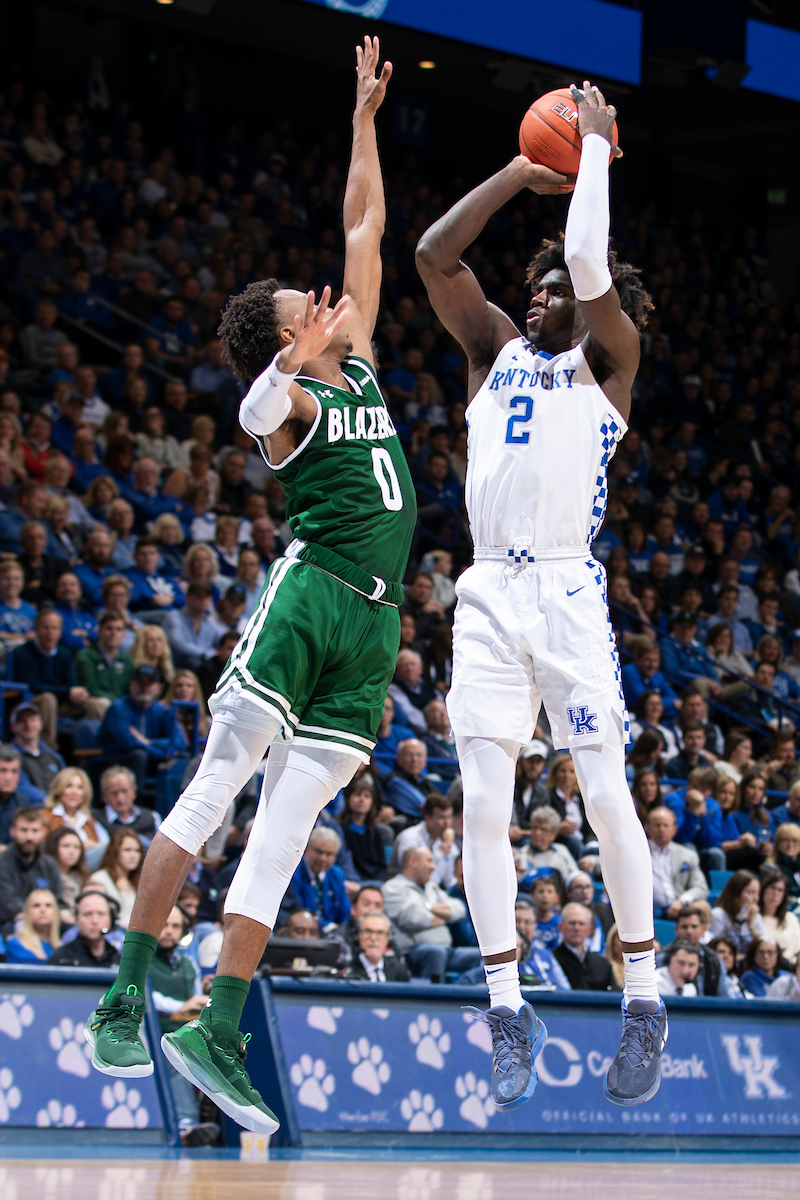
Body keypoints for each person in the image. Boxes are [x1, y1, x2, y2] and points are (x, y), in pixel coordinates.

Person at [85, 44, 412, 1139]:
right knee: (221, 780)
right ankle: (125, 991)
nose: (326, 302)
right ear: (283, 340)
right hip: (311, 592)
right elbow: (254, 419)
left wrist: (362, 119)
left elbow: (363, 229)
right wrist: (284, 367)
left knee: (282, 834)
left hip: (374, 624)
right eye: (303, 309)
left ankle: (216, 1027)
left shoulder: (355, 359)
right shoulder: (291, 402)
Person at [416, 80, 663, 1107]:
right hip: (486, 590)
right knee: (481, 798)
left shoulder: (609, 360)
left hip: (564, 590)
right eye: (533, 286)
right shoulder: (491, 354)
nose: (536, 296)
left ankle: (643, 996)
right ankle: (507, 1007)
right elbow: (434, 255)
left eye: (552, 287)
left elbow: (594, 265)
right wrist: (521, 172)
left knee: (602, 792)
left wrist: (594, 156)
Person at [149, 905, 220, 1147]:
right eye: (164, 925)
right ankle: (185, 1124)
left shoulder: (189, 964)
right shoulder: (142, 959)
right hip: (151, 1031)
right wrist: (181, 1005)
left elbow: (196, 999)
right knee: (174, 1054)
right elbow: (149, 996)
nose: (169, 932)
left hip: (183, 1030)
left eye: (175, 926)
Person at [382, 844, 480, 979]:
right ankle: (437, 999)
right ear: (413, 862)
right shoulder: (393, 888)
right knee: (435, 952)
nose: (433, 866)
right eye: (429, 861)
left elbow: (458, 909)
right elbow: (414, 918)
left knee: (482, 956)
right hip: (414, 952)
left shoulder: (431, 887)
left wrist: (427, 907)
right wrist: (444, 915)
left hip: (447, 951)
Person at [98, 665, 186, 792]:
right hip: (116, 760)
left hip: (150, 760)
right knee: (139, 755)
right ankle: (135, 805)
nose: (144, 688)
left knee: (178, 759)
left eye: (149, 683)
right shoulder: (118, 708)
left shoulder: (161, 710)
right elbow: (129, 743)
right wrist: (164, 752)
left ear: (158, 688)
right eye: (140, 683)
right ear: (131, 685)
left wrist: (149, 742)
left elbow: (179, 742)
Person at [10, 608, 89, 748]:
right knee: (48, 699)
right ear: (36, 629)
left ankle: (90, 749)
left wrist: (77, 693)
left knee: (96, 704)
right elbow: (31, 685)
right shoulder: (22, 653)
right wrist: (67, 691)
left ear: (60, 632)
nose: (50, 633)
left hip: (61, 702)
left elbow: (71, 683)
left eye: (54, 628)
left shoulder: (65, 654)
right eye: (45, 627)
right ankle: (48, 749)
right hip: (33, 702)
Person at [0, 807, 62, 930]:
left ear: (43, 832)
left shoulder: (50, 864)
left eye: (34, 830)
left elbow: (58, 899)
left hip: (49, 923)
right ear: (12, 831)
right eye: (24, 830)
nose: (29, 837)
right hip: (12, 924)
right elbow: (8, 904)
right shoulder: (2, 863)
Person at [281, 827, 351, 932]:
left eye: (329, 854)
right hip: (302, 934)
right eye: (319, 851)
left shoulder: (337, 874)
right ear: (306, 849)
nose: (323, 858)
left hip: (332, 935)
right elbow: (296, 911)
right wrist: (327, 926)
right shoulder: (293, 872)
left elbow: (344, 914)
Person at [646, 806, 708, 918]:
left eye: (666, 825)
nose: (662, 829)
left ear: (674, 830)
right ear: (648, 828)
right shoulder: (639, 853)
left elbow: (701, 888)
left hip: (680, 909)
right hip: (648, 909)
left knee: (703, 908)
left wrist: (681, 901)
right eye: (657, 825)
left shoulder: (688, 855)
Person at [74, 613, 135, 718]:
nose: (114, 633)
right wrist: (117, 703)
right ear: (99, 631)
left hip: (120, 704)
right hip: (93, 701)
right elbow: (90, 688)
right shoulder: (86, 656)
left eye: (118, 629)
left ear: (124, 634)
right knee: (102, 704)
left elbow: (131, 688)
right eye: (109, 629)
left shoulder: (127, 660)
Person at [390, 792, 457, 887]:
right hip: (405, 889)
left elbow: (450, 880)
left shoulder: (448, 843)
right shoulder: (409, 837)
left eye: (449, 817)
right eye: (441, 818)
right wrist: (438, 855)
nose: (447, 823)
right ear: (427, 818)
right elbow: (412, 875)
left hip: (433, 891)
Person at [656, 905, 727, 996]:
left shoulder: (714, 960)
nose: (689, 932)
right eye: (684, 927)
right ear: (676, 930)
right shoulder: (663, 957)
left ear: (703, 929)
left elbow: (723, 995)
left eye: (694, 927)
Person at [551, 903, 619, 991]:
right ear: (560, 927)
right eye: (572, 923)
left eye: (581, 924)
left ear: (589, 930)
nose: (577, 928)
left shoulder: (602, 964)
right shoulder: (552, 960)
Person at [44, 767, 108, 859]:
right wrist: (80, 846)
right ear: (59, 789)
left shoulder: (89, 821)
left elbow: (106, 847)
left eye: (80, 788)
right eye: (69, 786)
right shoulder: (46, 816)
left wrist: (93, 845)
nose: (74, 792)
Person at [337, 774, 392, 883]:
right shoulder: (340, 829)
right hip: (353, 882)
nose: (362, 800)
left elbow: (381, 866)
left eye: (367, 796)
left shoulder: (376, 833)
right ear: (348, 799)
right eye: (357, 795)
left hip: (376, 881)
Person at [48, 890, 121, 967]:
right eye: (87, 914)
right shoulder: (61, 958)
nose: (94, 921)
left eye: (101, 914)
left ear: (111, 919)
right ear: (77, 918)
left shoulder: (120, 961)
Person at [89, 828, 144, 928]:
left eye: (137, 850)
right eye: (127, 850)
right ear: (114, 852)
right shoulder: (99, 879)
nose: (133, 856)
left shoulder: (139, 882)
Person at [10, 702, 65, 799]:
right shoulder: (10, 756)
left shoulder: (54, 756)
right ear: (13, 727)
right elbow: (22, 787)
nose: (29, 725)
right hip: (29, 811)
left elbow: (66, 782)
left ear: (41, 724)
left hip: (57, 810)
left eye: (33, 719)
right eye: (23, 721)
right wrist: (51, 803)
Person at [95, 765, 161, 844]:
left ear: (134, 791)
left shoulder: (153, 817)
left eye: (124, 791)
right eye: (114, 793)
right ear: (104, 795)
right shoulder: (96, 821)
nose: (120, 798)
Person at [709, 870, 765, 959]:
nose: (755, 898)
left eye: (757, 893)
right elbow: (712, 950)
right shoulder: (718, 915)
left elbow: (763, 950)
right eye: (750, 893)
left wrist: (751, 926)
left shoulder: (756, 917)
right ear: (735, 893)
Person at [347, 911, 411, 981]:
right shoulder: (348, 971)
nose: (373, 938)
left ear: (388, 939)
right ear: (357, 936)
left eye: (380, 933)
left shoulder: (399, 970)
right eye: (368, 932)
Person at [44, 825, 90, 921]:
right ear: (54, 848)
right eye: (66, 846)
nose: (71, 852)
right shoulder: (47, 875)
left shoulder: (83, 876)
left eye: (76, 847)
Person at [4, 888, 61, 963]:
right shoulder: (16, 944)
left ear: (56, 912)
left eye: (48, 905)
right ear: (27, 911)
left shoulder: (63, 947)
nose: (42, 909)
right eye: (36, 905)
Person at [509, 740, 550, 843]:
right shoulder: (509, 787)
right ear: (520, 761)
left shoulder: (542, 791)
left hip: (532, 838)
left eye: (538, 762)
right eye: (530, 761)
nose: (534, 766)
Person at [764, 823, 800, 900]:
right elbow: (774, 897)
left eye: (795, 841)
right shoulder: (770, 867)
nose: (790, 845)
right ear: (778, 843)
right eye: (786, 840)